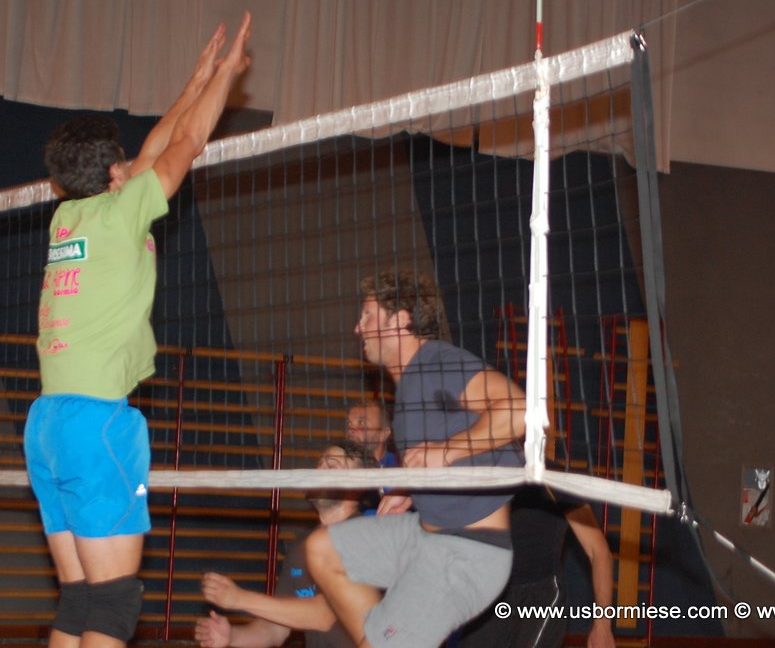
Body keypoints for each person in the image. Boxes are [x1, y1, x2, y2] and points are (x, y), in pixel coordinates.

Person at [24, 13, 251, 648]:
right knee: (115, 603)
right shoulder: (124, 211)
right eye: (124, 164)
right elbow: (187, 143)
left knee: (80, 599)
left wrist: (193, 82)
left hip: (46, 424)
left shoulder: (67, 217)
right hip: (97, 423)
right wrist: (226, 77)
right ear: (116, 176)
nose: (133, 166)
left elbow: (155, 149)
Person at [305, 269, 526, 648]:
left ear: (400, 320)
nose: (358, 328)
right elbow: (441, 450)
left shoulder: (436, 362)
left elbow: (520, 411)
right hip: (424, 536)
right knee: (323, 550)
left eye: (367, 315)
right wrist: (409, 487)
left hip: (466, 553)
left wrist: (447, 451)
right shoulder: (409, 387)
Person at [193, 441, 375, 648]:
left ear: (355, 486)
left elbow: (324, 615)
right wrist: (232, 636)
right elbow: (274, 629)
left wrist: (239, 599)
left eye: (332, 466)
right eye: (319, 464)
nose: (318, 471)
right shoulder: (301, 545)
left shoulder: (365, 536)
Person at [457, 486, 616, 648]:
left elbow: (598, 551)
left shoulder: (554, 483)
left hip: (540, 596)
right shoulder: (482, 480)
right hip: (490, 596)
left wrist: (602, 624)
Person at [346, 401, 396, 468]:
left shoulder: (400, 466)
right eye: (349, 423)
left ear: (384, 434)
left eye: (361, 423)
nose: (351, 429)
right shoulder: (340, 466)